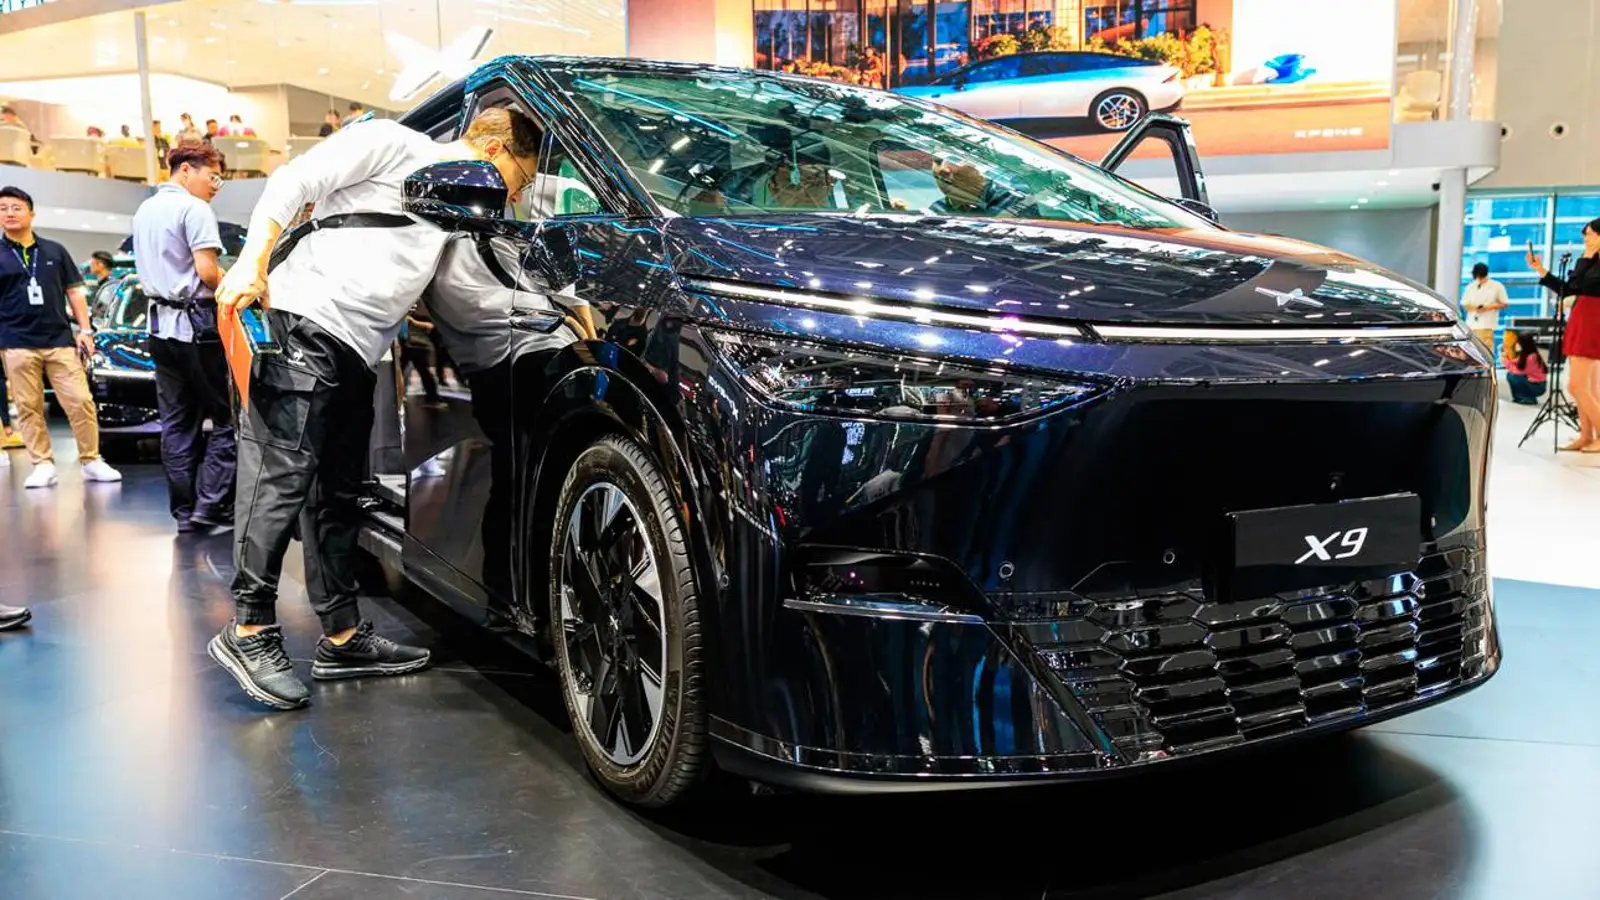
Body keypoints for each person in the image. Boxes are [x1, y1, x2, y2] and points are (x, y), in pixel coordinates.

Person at [207, 106, 544, 711]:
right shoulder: (396, 143)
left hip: (359, 351)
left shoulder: (452, 213)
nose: (516, 194)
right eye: (521, 177)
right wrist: (252, 261)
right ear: (495, 150)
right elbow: (293, 180)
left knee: (336, 492)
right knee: (279, 477)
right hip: (306, 321)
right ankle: (249, 628)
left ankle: (341, 636)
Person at [132, 142, 235, 532]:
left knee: (176, 421)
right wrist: (240, 284)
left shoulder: (144, 210)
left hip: (159, 328)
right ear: (187, 170)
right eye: (213, 176)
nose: (216, 186)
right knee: (225, 418)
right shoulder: (195, 209)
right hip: (198, 326)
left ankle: (184, 512)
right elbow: (208, 272)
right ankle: (210, 506)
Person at [0, 186, 122, 488]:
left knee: (80, 400)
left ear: (31, 213)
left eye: (16, 207)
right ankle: (42, 464)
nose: (9, 213)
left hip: (60, 340)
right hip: (15, 342)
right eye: (3, 208)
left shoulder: (54, 251)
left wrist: (86, 330)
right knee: (29, 407)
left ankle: (91, 460)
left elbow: (74, 292)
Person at [1528, 218, 1600, 452]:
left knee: (1576, 386)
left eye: (1589, 234)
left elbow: (1585, 288)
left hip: (1593, 319)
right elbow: (1569, 289)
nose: (1585, 239)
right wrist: (1541, 269)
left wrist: (1587, 259)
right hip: (1583, 317)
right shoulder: (1589, 261)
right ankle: (1586, 435)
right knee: (1587, 386)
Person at [1462, 261, 1509, 348]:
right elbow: (1465, 304)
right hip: (1471, 324)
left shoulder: (1496, 286)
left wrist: (1488, 307)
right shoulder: (1471, 287)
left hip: (1487, 324)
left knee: (1486, 349)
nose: (1479, 279)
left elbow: (1504, 303)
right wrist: (1475, 308)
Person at [1501, 330, 1548, 405]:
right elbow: (1515, 362)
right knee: (1510, 375)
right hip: (1532, 382)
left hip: (1538, 386)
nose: (1516, 345)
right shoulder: (1526, 354)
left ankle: (1528, 398)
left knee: (1514, 376)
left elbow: (1518, 371)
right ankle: (1520, 397)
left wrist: (1506, 361)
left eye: (1518, 343)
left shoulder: (1532, 357)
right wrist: (1506, 358)